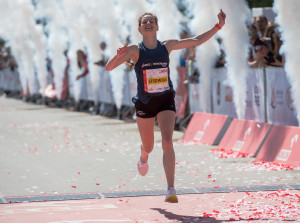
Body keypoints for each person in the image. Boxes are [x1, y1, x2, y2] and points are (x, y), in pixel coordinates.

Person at [106, 10, 226, 203]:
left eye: (151, 21)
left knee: (168, 142)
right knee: (149, 146)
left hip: (165, 100)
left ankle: (170, 188)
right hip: (145, 103)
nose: (148, 24)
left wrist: (218, 26)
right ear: (139, 28)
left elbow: (196, 40)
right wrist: (118, 54)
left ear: (157, 26)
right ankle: (143, 156)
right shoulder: (135, 50)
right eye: (145, 22)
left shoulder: (167, 45)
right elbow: (109, 67)